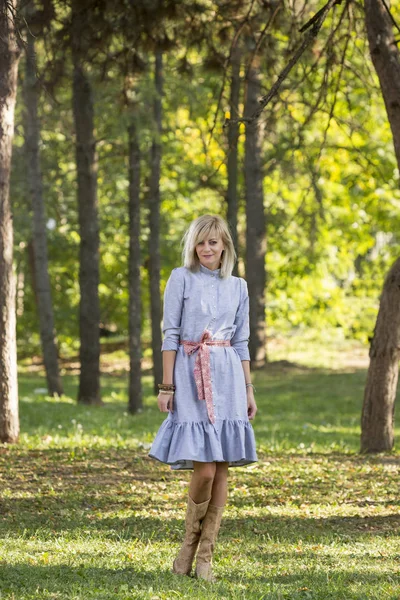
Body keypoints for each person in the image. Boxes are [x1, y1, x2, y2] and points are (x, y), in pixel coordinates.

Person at [149, 214, 258, 582]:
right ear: (193, 246)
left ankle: (206, 558)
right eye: (200, 242)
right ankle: (187, 546)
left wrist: (248, 389)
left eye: (213, 242)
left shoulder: (238, 286)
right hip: (190, 372)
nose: (207, 248)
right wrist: (167, 387)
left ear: (224, 245)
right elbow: (170, 334)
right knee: (205, 468)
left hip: (227, 375)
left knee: (223, 465)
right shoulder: (181, 278)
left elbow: (242, 341)